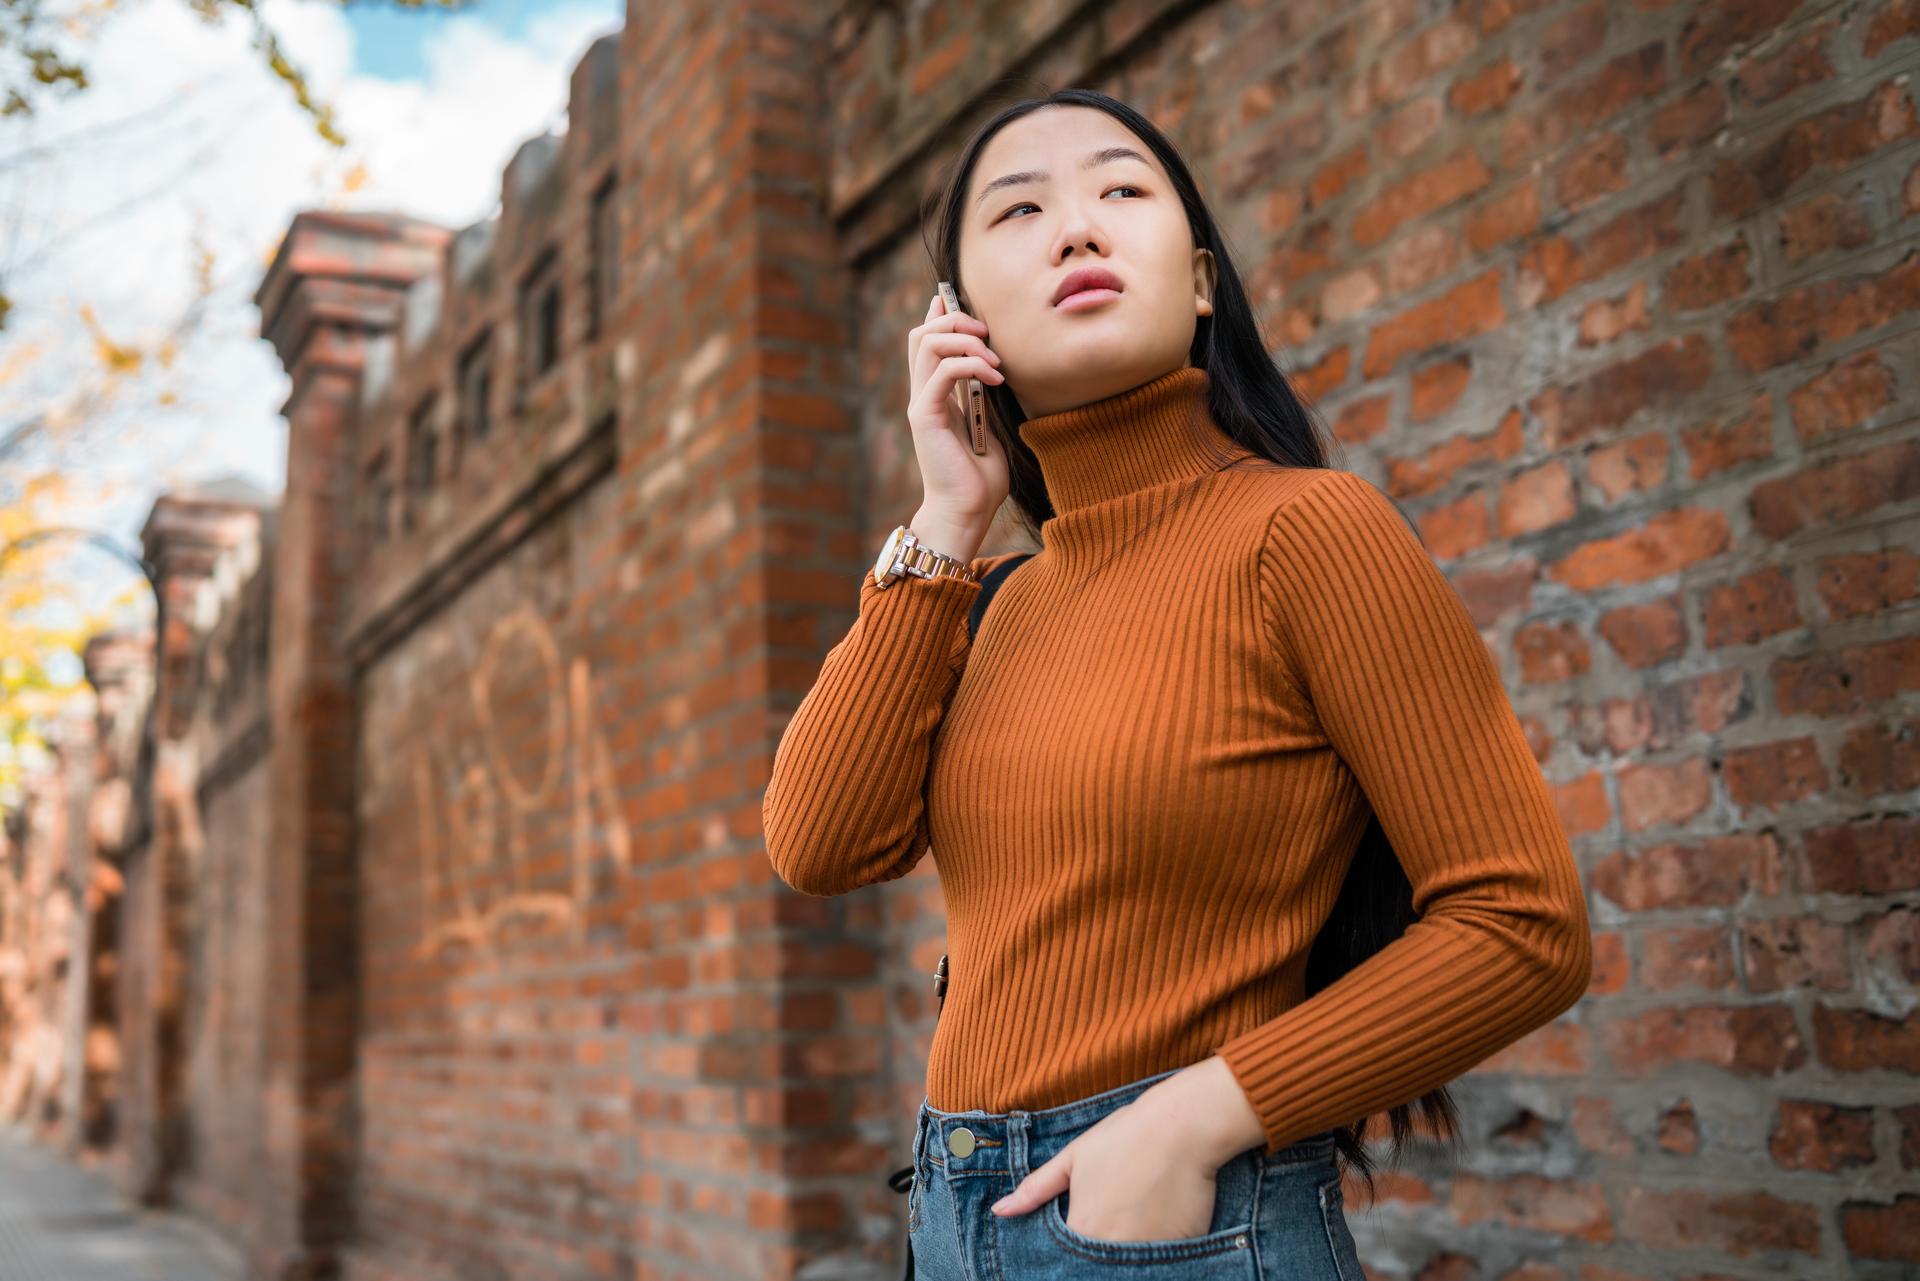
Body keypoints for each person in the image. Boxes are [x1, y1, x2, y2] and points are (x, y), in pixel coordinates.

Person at [762, 86, 1593, 1280]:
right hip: (953, 1218)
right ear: (962, 323)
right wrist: (948, 516)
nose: (1077, 228)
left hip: (1179, 1223)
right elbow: (818, 842)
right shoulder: (987, 599)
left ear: (1200, 279)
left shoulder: (1306, 533)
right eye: (1020, 209)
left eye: (1121, 190)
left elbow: (1524, 928)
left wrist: (1188, 1124)